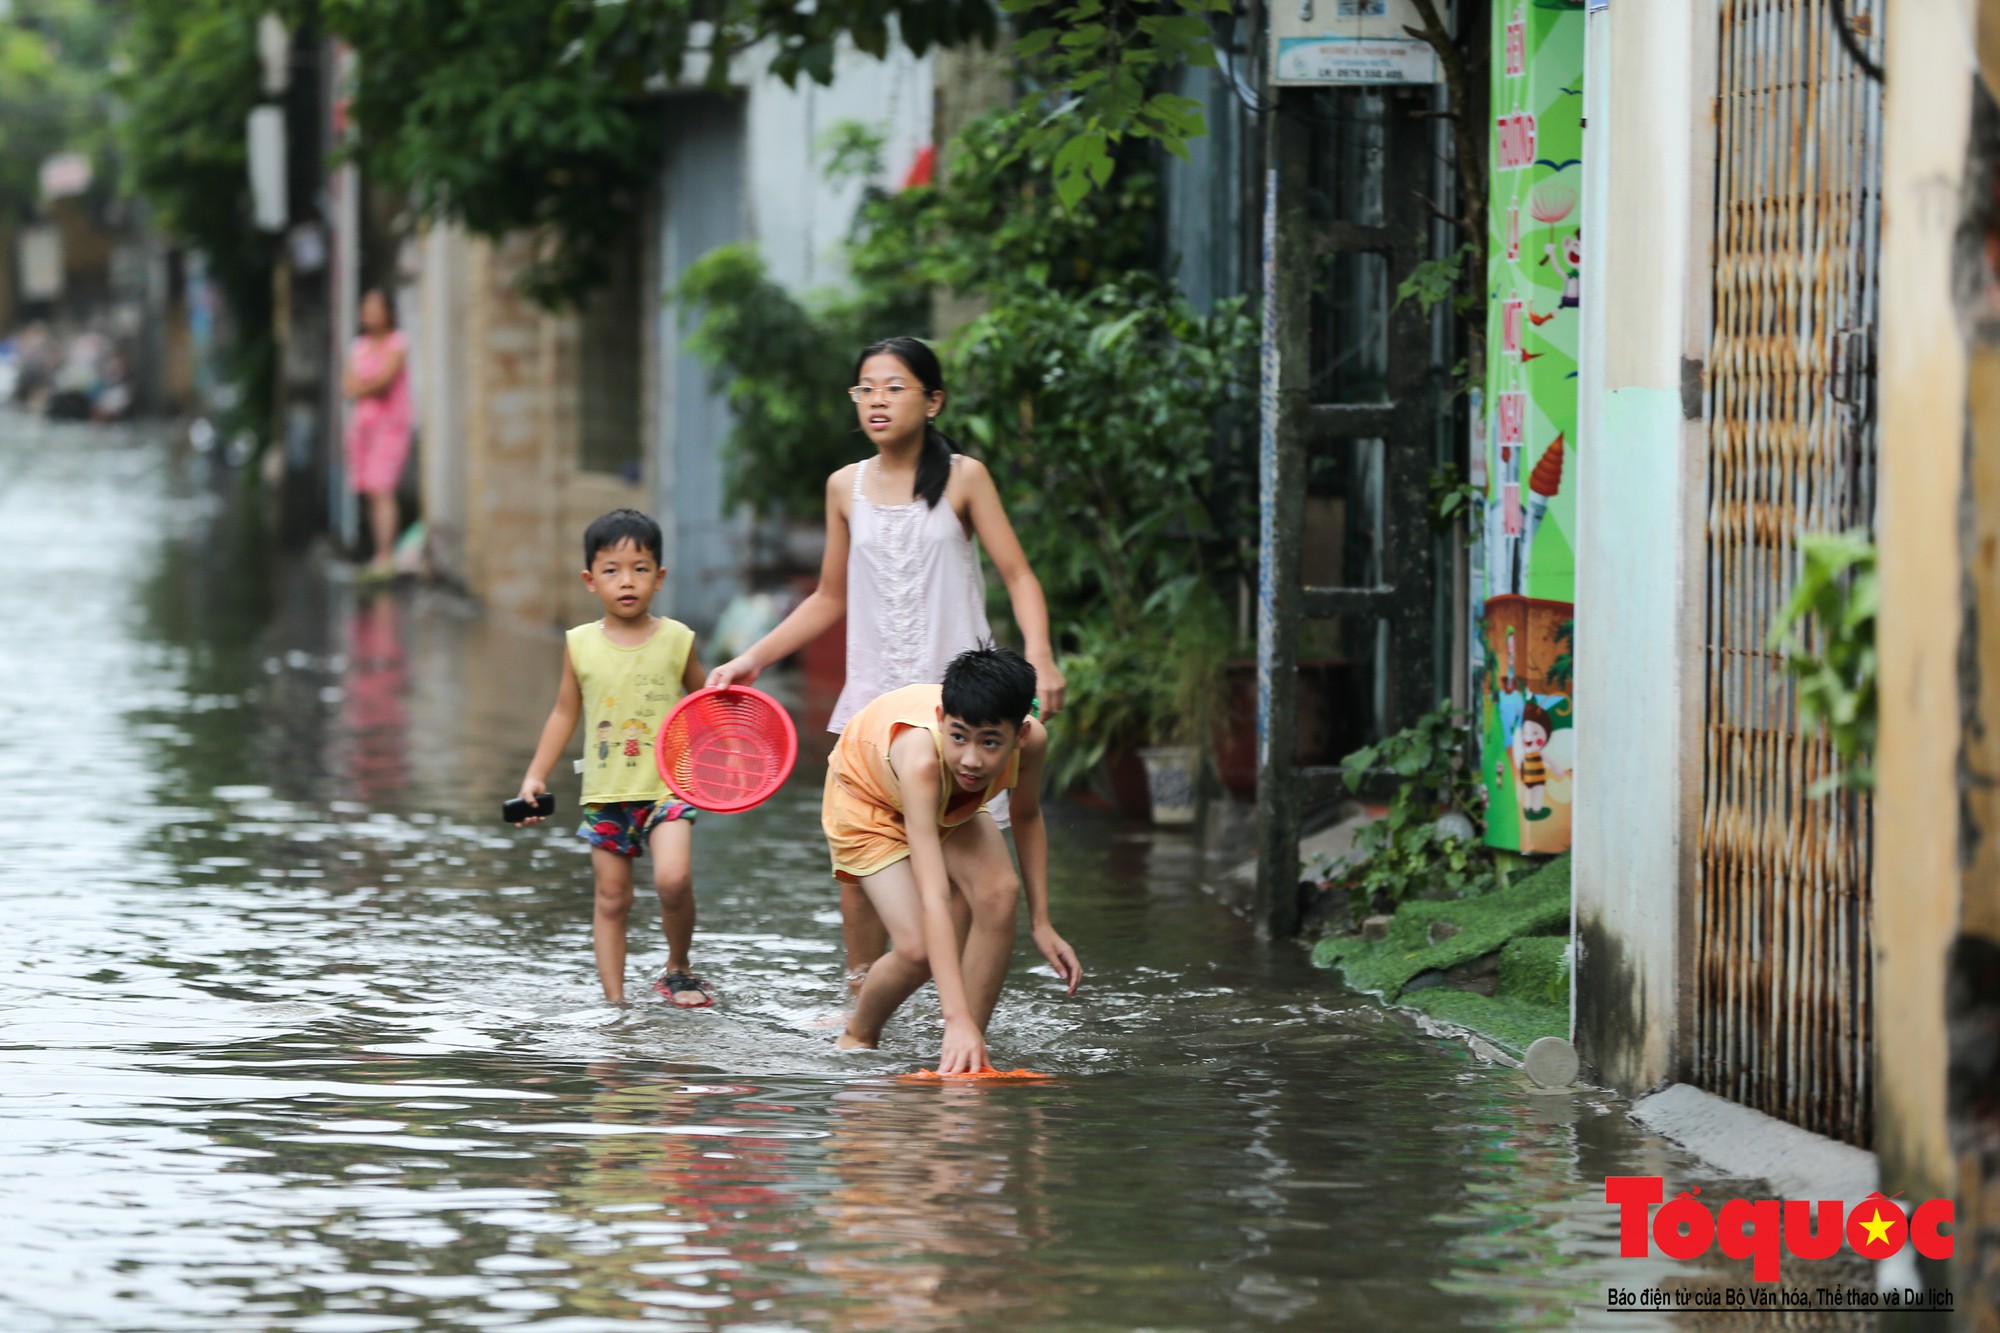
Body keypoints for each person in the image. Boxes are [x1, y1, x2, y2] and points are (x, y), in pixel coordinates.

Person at [707, 336, 1067, 987]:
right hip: (871, 712)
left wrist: (1040, 657)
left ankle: (944, 1017)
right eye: (865, 387)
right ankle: (861, 1001)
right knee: (859, 873)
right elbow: (829, 597)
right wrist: (752, 657)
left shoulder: (964, 477)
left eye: (894, 387)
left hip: (959, 712)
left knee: (965, 882)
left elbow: (1018, 574)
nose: (877, 399)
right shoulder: (845, 486)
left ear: (933, 401)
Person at [825, 645, 1080, 1073]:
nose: (973, 759)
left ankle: (964, 1054)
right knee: (917, 948)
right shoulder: (925, 759)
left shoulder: (1030, 742)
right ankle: (858, 1033)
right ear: (942, 720)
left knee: (1000, 891)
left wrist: (1042, 922)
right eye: (958, 736)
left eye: (991, 742)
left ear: (1020, 735)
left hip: (950, 798)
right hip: (866, 796)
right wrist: (952, 1013)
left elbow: (1027, 815)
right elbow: (935, 897)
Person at [515, 509, 714, 1007]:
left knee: (674, 879)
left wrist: (726, 760)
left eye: (640, 568)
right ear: (590, 580)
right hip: (606, 793)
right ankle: (616, 1004)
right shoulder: (579, 645)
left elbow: (706, 706)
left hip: (669, 785)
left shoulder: (677, 639)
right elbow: (564, 713)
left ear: (659, 577)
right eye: (612, 570)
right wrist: (535, 776)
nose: (627, 581)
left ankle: (679, 967)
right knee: (612, 899)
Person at [341, 288, 412, 579]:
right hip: (364, 428)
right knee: (371, 490)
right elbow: (348, 385)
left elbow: (382, 382)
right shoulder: (358, 346)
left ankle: (386, 555)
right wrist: (363, 385)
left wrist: (363, 385)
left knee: (383, 488)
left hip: (389, 427)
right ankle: (379, 553)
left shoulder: (397, 343)